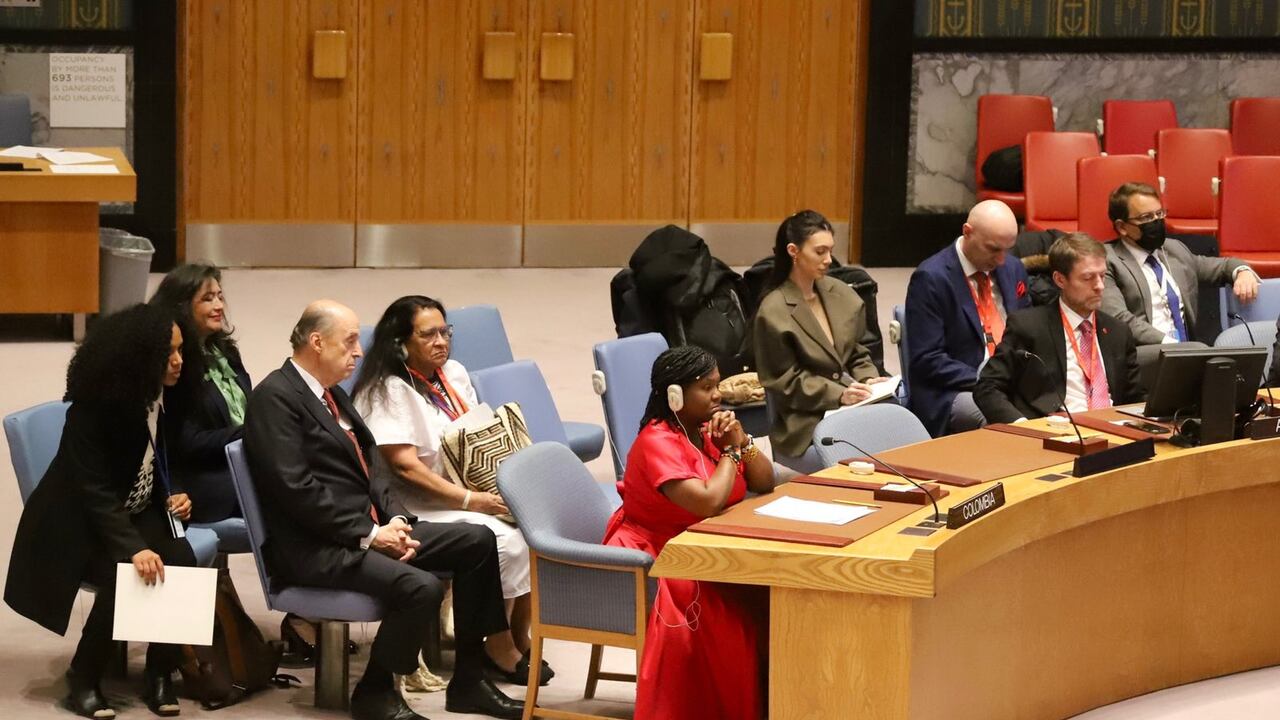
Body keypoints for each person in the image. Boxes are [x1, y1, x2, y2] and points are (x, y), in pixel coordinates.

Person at [243, 300, 522, 720]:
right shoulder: (275, 399)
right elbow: (295, 491)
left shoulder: (330, 392)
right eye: (350, 341)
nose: (359, 351)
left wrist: (396, 520)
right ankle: (375, 692)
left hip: (364, 532)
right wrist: (371, 536)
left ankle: (468, 681)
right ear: (317, 342)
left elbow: (372, 465)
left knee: (477, 541)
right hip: (314, 548)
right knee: (421, 587)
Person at [5, 304, 195, 719]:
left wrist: (176, 490)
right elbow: (93, 492)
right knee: (126, 574)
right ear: (140, 359)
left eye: (181, 350)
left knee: (184, 560)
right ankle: (84, 676)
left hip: (133, 507)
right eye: (168, 354)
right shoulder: (93, 410)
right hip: (78, 521)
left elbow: (160, 455)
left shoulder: (163, 394)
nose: (179, 361)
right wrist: (133, 548)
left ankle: (159, 673)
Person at [352, 295, 552, 686]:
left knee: (533, 526)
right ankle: (495, 645)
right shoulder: (386, 391)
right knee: (504, 541)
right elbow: (404, 466)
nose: (441, 341)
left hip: (466, 488)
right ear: (400, 342)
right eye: (429, 335)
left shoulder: (454, 374)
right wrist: (470, 501)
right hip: (417, 504)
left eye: (445, 332)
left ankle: (519, 634)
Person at [603, 346, 775, 720]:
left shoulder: (704, 430)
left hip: (708, 546)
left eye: (717, 384)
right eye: (706, 387)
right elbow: (708, 502)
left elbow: (766, 480)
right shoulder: (657, 442)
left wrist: (742, 439)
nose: (718, 395)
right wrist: (731, 453)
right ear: (675, 395)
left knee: (775, 598)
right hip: (662, 557)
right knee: (734, 620)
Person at [754, 210, 890, 472]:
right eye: (820, 252)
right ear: (794, 251)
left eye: (831, 250)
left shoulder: (839, 292)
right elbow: (785, 381)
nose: (829, 260)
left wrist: (867, 378)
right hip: (803, 420)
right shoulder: (773, 311)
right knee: (875, 459)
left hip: (848, 406)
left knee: (895, 438)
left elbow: (857, 351)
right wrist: (839, 395)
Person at [975, 233, 1143, 423]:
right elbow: (988, 387)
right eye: (1088, 278)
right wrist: (1022, 426)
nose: (1099, 286)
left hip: (1116, 432)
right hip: (1056, 434)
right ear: (1060, 280)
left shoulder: (1118, 331)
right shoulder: (1028, 326)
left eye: (1102, 276)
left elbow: (1135, 398)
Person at [904, 199, 1031, 436]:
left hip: (1008, 377)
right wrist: (990, 380)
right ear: (967, 232)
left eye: (1007, 249)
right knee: (1001, 422)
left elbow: (1026, 331)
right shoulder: (931, 278)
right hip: (956, 387)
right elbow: (928, 359)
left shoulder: (1013, 269)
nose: (1001, 259)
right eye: (993, 249)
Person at [1102, 182, 1259, 366]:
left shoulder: (1172, 250)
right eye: (1146, 217)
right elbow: (1120, 320)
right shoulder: (1107, 260)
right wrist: (1173, 345)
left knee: (1232, 364)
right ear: (1122, 227)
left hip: (1185, 353)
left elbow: (1221, 266)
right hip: (1139, 354)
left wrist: (1242, 271)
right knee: (1210, 360)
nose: (1156, 222)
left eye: (1159, 214)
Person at [148, 263, 249, 526]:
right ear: (182, 306)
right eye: (207, 299)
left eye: (219, 296)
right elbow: (185, 442)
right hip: (201, 480)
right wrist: (249, 432)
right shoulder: (174, 366)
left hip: (240, 463)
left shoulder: (225, 353)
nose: (218, 306)